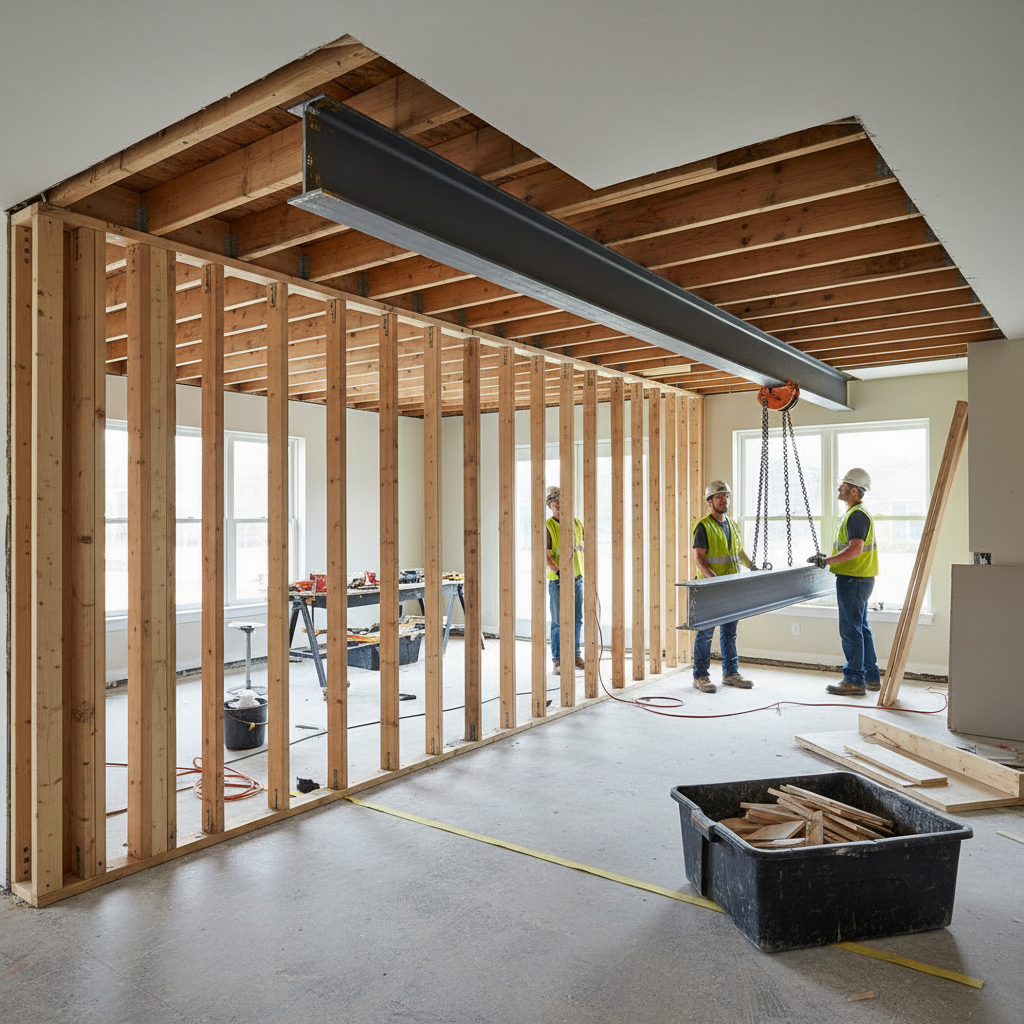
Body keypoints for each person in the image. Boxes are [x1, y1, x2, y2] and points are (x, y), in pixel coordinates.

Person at [807, 468, 881, 696]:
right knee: (861, 629)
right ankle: (870, 676)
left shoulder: (857, 515)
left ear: (854, 490)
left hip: (854, 580)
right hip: (860, 579)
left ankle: (854, 681)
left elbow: (856, 548)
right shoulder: (855, 514)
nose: (839, 488)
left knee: (851, 631)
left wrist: (827, 561)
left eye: (843, 485)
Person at [691, 479, 755, 693]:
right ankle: (700, 676)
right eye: (719, 496)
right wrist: (713, 578)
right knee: (705, 633)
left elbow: (738, 552)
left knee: (729, 633)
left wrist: (753, 567)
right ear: (710, 501)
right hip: (711, 589)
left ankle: (730, 673)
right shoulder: (704, 526)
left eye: (726, 496)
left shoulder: (733, 525)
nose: (724, 500)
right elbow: (699, 559)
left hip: (731, 587)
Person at [545, 486, 584, 676]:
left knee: (577, 619)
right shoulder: (548, 526)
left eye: (560, 500)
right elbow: (544, 555)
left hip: (577, 578)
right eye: (554, 501)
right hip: (558, 581)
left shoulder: (576, 523)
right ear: (550, 505)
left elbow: (586, 545)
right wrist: (558, 572)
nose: (558, 504)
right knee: (559, 622)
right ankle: (558, 660)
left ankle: (575, 655)